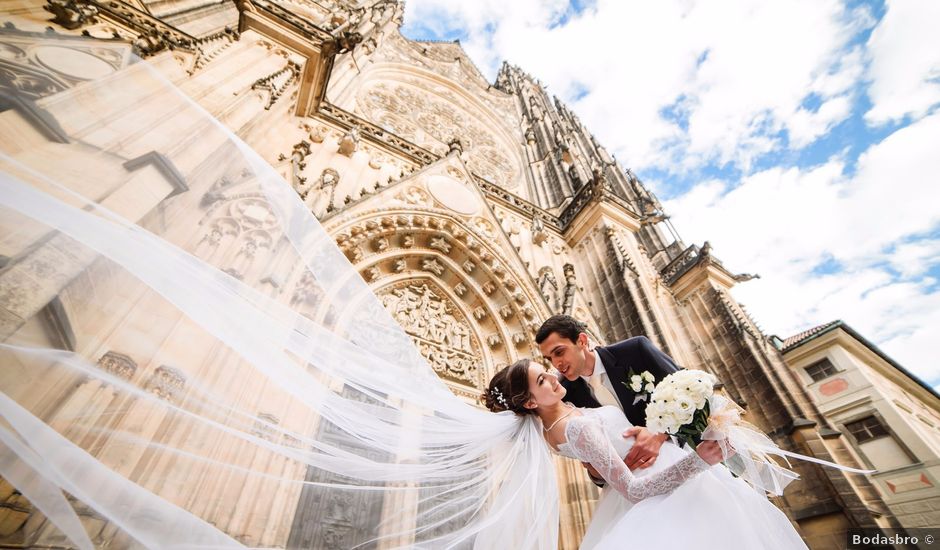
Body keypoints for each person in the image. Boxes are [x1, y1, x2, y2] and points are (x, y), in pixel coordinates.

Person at [484, 360, 809, 550]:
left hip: (655, 475)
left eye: (548, 370)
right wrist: (701, 459)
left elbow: (604, 461)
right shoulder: (574, 427)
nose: (554, 376)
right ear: (529, 403)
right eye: (542, 379)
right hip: (663, 490)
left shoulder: (554, 423)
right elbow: (634, 491)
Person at [537, 315, 679, 477]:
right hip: (636, 482)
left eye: (559, 352)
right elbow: (595, 464)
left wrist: (661, 434)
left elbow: (688, 389)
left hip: (680, 456)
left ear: (582, 341)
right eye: (550, 358)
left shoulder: (634, 351)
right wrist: (596, 473)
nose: (556, 364)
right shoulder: (568, 396)